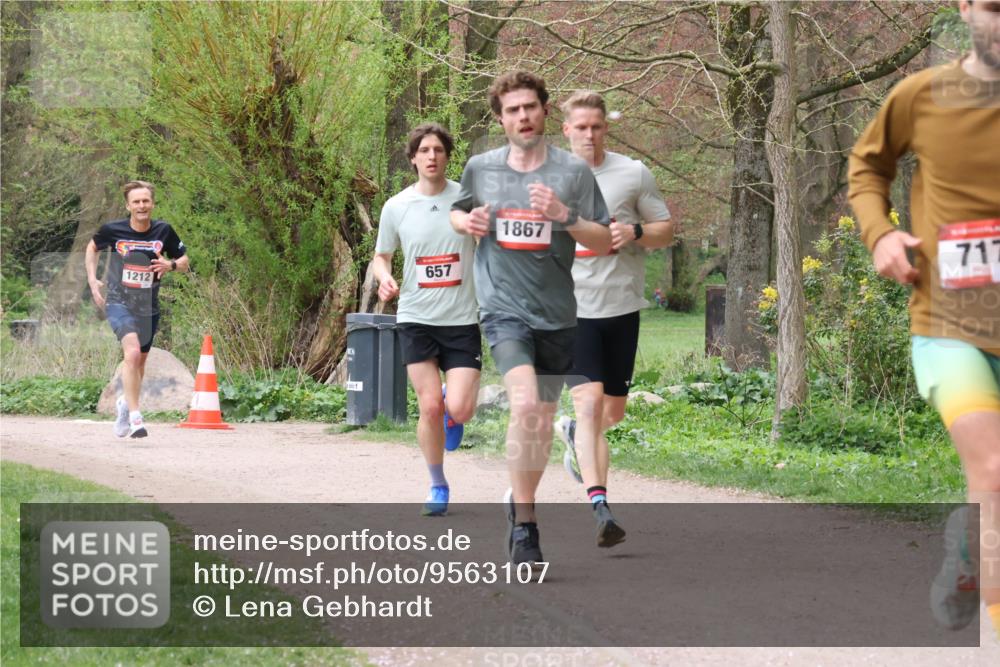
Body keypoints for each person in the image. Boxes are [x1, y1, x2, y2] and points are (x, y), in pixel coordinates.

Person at [848, 0, 1000, 637]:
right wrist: (881, 233)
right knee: (994, 472)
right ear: (965, 8)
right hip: (950, 326)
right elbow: (867, 166)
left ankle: (970, 546)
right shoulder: (922, 96)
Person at [450, 71, 612, 566]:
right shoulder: (481, 168)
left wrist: (565, 216)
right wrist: (469, 221)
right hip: (503, 311)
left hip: (558, 315)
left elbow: (602, 240)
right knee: (524, 407)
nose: (523, 116)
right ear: (501, 119)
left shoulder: (573, 174)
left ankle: (521, 509)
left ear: (545, 113)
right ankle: (526, 528)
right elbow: (458, 212)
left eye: (530, 107)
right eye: (512, 110)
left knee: (539, 422)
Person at [555, 90, 675, 547]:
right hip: (572, 310)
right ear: (566, 130)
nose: (588, 134)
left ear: (606, 128)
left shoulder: (632, 173)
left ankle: (572, 435)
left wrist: (637, 231)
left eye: (596, 126)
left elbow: (666, 231)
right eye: (580, 127)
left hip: (622, 307)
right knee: (588, 405)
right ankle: (601, 506)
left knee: (613, 413)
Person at [372, 123, 481, 517]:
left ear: (448, 156)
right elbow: (381, 256)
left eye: (438, 149)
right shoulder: (396, 206)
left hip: (462, 318)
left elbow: (488, 243)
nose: (432, 156)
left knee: (462, 408)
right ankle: (437, 483)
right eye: (424, 150)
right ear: (413, 158)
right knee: (429, 405)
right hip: (416, 317)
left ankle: (456, 417)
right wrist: (385, 279)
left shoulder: (466, 200)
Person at [85, 181, 189, 439]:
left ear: (152, 203)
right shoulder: (112, 230)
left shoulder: (164, 231)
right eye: (136, 202)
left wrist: (170, 265)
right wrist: (92, 280)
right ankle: (135, 417)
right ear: (128, 205)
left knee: (139, 361)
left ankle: (124, 405)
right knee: (131, 353)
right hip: (119, 301)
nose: (141, 206)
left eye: (145, 201)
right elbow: (92, 247)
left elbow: (185, 261)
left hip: (148, 306)